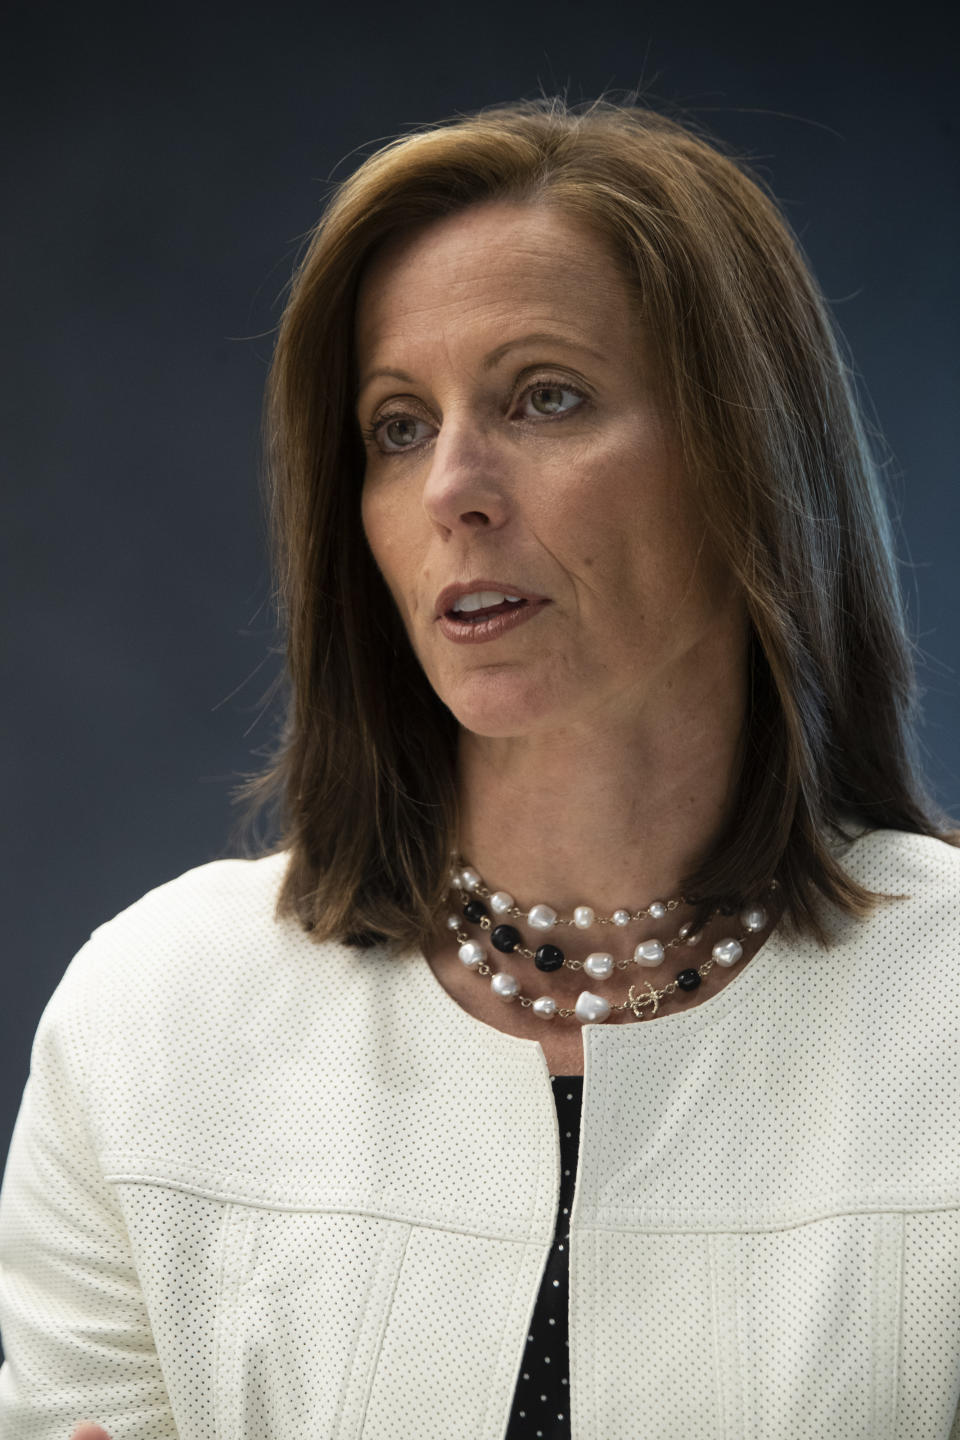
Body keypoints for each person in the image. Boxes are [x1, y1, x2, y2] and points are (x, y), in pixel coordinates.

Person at [2, 95, 958, 1440]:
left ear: (747, 453)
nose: (454, 485)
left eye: (545, 398)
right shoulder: (151, 1025)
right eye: (397, 426)